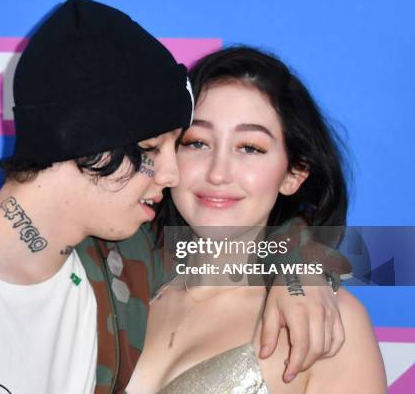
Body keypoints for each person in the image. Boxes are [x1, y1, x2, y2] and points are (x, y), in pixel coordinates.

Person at [0, 0, 349, 394]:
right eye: (159, 147)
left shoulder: (121, 259)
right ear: (88, 141)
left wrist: (302, 270)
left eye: (250, 149)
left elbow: (374, 254)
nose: (176, 173)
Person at [125, 47, 386, 393]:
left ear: (294, 173)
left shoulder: (327, 322)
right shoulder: (123, 291)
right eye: (198, 143)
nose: (218, 173)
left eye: (250, 148)